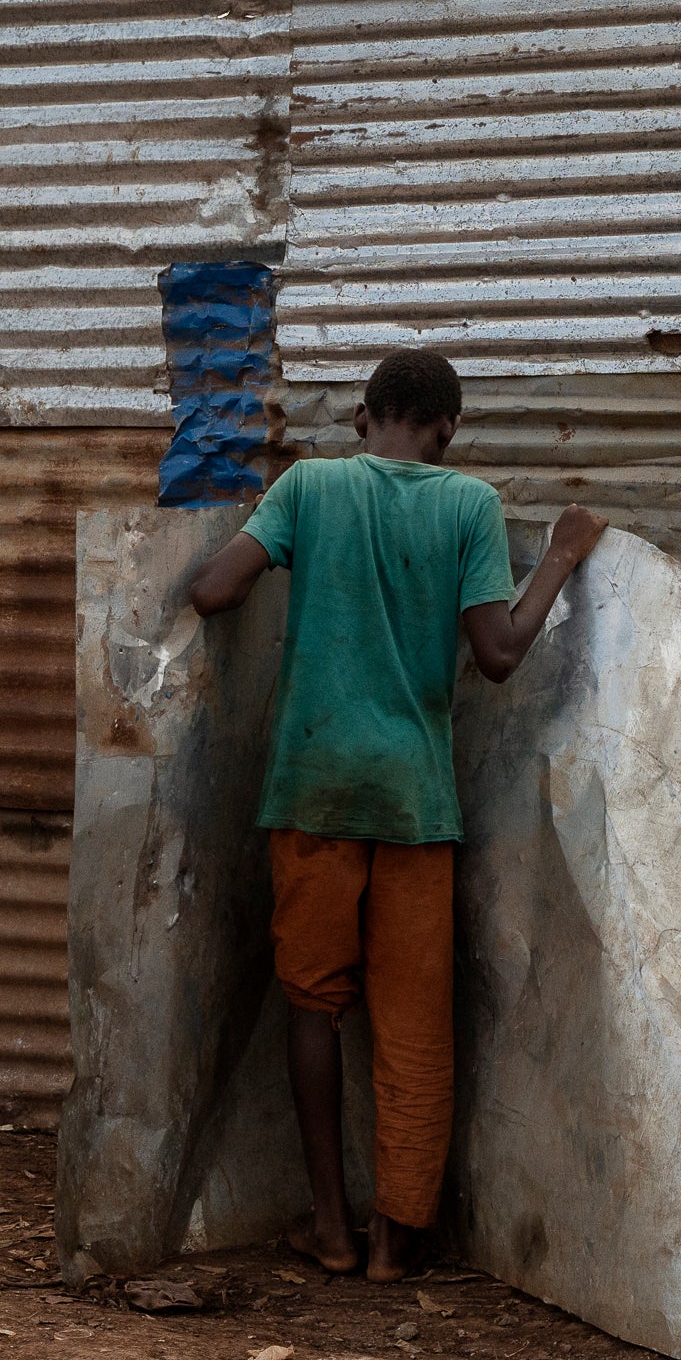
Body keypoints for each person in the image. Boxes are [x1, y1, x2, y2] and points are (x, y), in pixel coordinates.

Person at [187, 350, 606, 1281]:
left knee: (313, 1007)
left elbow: (214, 592)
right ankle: (393, 1241)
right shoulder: (469, 506)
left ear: (363, 415)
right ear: (449, 430)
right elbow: (498, 653)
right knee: (414, 1023)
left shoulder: (311, 486)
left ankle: (329, 1228)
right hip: (417, 802)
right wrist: (565, 554)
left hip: (314, 790)